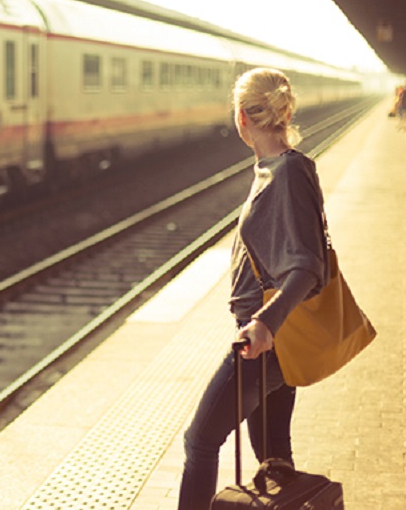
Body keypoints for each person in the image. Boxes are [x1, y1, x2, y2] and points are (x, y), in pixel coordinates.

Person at [177, 68, 329, 509]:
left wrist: (264, 324)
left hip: (267, 340)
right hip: (274, 336)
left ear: (242, 118)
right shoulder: (272, 168)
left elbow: (307, 266)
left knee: (200, 442)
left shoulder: (286, 173)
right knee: (274, 458)